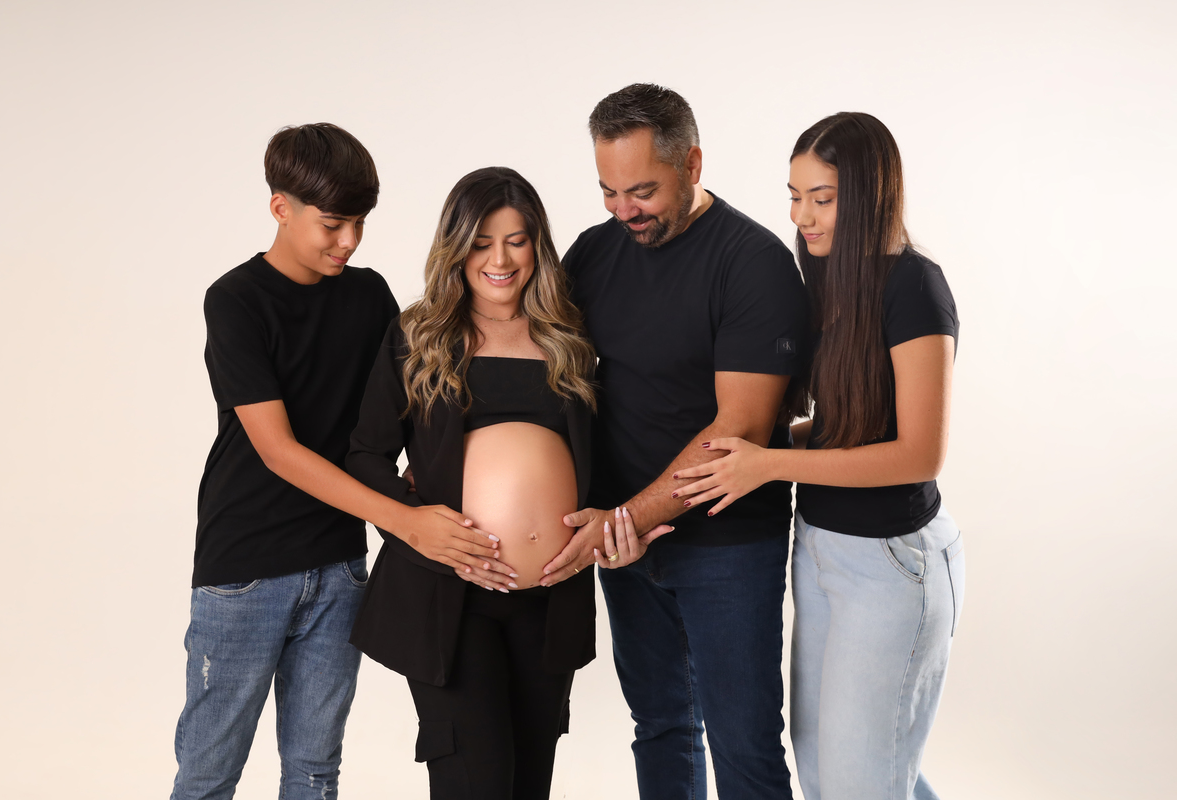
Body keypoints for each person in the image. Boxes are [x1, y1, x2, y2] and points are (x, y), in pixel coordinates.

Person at [171, 123, 502, 800]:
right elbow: (278, 451)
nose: (348, 241)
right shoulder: (235, 301)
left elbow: (406, 408)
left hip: (340, 565)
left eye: (359, 224)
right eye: (332, 224)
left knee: (316, 772)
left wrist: (432, 472)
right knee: (208, 776)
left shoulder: (369, 295)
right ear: (280, 207)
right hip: (245, 569)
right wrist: (406, 521)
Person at [345, 166, 664, 800]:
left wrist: (614, 525)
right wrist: (415, 526)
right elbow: (366, 456)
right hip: (447, 600)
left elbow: (600, 461)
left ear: (537, 247)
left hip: (550, 602)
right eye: (482, 243)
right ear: (456, 247)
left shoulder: (570, 340)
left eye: (516, 241)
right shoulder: (418, 336)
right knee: (477, 783)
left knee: (527, 785)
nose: (500, 260)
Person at [673, 112, 965, 800]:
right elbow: (843, 427)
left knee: (861, 780)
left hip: (893, 564)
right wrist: (757, 448)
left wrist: (770, 463)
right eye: (795, 196)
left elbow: (919, 454)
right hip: (822, 547)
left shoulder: (915, 287)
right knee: (833, 770)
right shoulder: (832, 281)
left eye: (822, 199)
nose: (801, 216)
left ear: (869, 194)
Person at [545, 84, 810, 800]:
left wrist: (626, 518)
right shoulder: (593, 253)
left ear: (692, 163)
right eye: (608, 191)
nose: (623, 210)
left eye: (642, 191)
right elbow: (538, 371)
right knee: (660, 726)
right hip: (625, 546)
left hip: (727, 544)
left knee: (743, 744)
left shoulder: (752, 263)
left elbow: (738, 430)